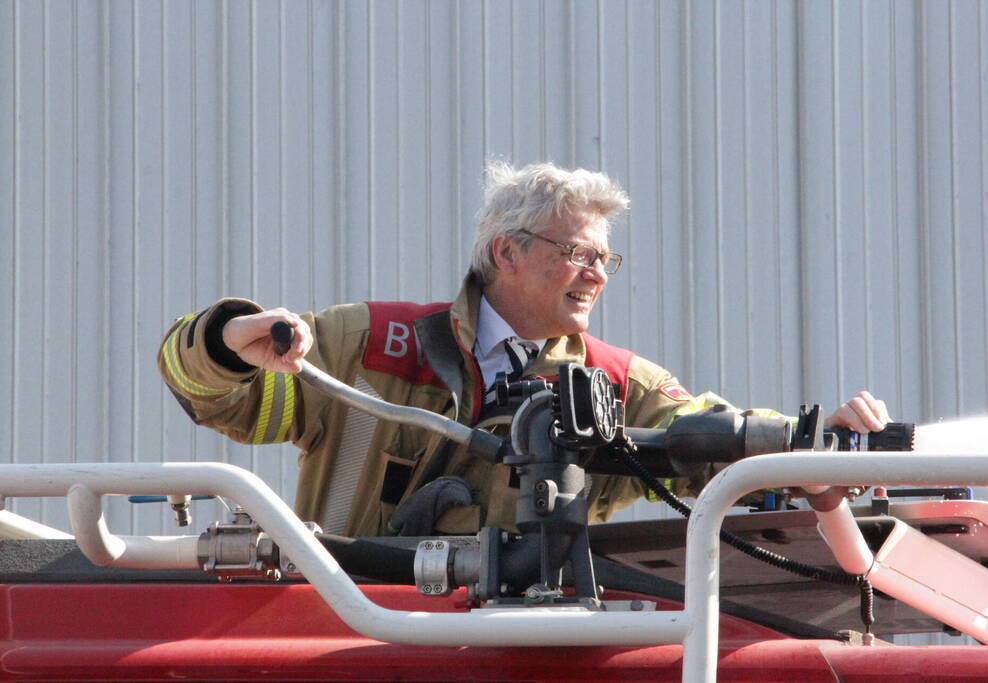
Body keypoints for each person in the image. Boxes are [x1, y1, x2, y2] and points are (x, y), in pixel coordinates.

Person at [158, 161, 890, 537]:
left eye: (607, 259)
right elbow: (226, 401)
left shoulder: (619, 382)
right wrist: (227, 341)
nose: (598, 272)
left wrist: (821, 456)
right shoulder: (363, 342)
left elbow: (718, 447)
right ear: (505, 251)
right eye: (578, 252)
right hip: (347, 633)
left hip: (519, 649)